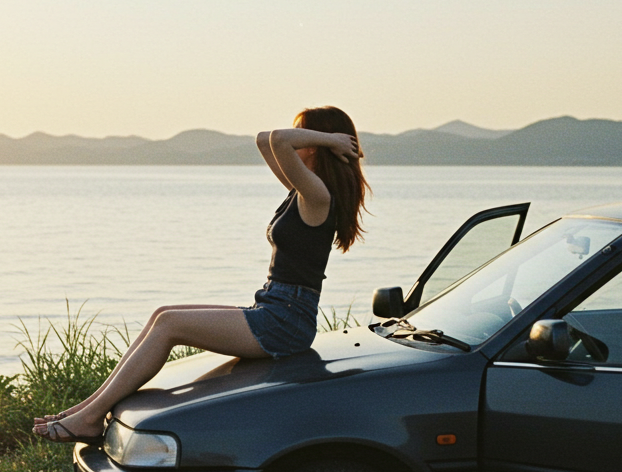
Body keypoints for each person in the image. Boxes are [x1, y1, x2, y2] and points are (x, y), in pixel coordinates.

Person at [33, 106, 371, 443]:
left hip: (286, 320)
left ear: (313, 146)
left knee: (170, 326)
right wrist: (326, 139)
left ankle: (90, 418)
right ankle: (87, 410)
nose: (296, 141)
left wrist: (328, 139)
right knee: (162, 315)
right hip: (274, 306)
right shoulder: (302, 190)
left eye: (304, 135)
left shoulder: (317, 196)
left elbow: (279, 139)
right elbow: (265, 141)